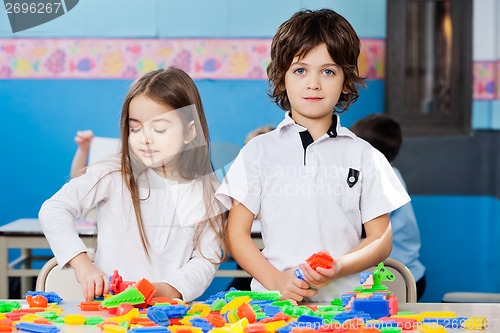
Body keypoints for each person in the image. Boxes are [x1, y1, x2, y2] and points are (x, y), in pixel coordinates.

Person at [215, 8, 410, 303]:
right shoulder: (257, 152)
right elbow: (236, 234)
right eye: (300, 70)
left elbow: (381, 240)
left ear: (346, 80)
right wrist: (277, 281)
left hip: (345, 305)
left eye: (328, 71)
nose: (314, 83)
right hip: (274, 304)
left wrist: (338, 267)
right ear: (281, 78)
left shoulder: (365, 156)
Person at [39, 67, 227, 302]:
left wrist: (168, 288)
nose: (145, 138)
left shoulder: (206, 191)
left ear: (190, 132)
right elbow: (54, 209)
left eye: (159, 128)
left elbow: (206, 258)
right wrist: (83, 265)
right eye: (135, 128)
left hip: (167, 316)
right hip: (108, 314)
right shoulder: (114, 173)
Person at [350, 113, 426, 300]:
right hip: (405, 271)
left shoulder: (383, 178)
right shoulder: (392, 173)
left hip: (399, 276)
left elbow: (360, 226)